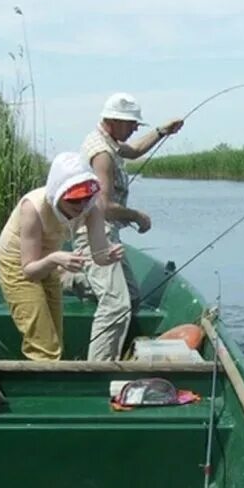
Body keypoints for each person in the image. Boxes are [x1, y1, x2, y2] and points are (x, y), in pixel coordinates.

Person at [73, 92, 184, 361]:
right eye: (132, 123)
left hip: (108, 234)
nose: (135, 128)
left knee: (132, 297)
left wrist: (161, 132)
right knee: (115, 305)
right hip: (95, 235)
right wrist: (137, 216)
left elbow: (133, 151)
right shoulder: (102, 154)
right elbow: (104, 205)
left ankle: (77, 276)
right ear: (113, 120)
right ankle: (98, 370)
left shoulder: (108, 142)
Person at [0, 152, 123, 361]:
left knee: (55, 336)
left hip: (50, 259)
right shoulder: (33, 208)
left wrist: (108, 256)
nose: (81, 207)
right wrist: (55, 259)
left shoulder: (92, 206)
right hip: (18, 264)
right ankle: (43, 390)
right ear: (58, 195)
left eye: (86, 200)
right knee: (44, 345)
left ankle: (50, 379)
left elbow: (99, 256)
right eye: (74, 203)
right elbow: (28, 270)